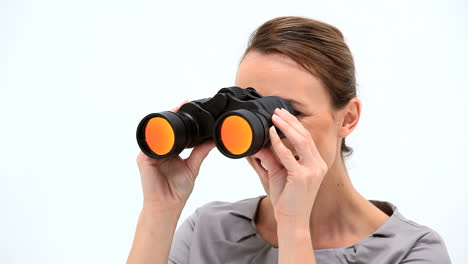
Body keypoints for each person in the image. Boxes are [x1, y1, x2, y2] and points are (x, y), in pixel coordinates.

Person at [127, 16, 451, 264]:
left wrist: (294, 226)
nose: (267, 138)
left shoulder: (411, 251)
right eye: (251, 111)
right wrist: (160, 208)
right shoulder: (209, 232)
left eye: (288, 113)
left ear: (348, 118)